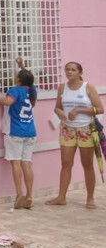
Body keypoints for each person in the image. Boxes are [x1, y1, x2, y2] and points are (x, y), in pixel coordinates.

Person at [45, 61, 103, 209]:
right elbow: (57, 107)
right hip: (67, 129)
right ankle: (61, 196)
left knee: (87, 164)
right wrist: (60, 114)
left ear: (80, 72)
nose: (69, 72)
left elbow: (100, 109)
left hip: (86, 128)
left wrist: (78, 110)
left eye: (73, 70)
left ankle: (90, 198)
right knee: (65, 163)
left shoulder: (87, 87)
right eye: (67, 69)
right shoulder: (62, 88)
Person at [0, 57, 37, 210]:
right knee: (26, 164)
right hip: (30, 132)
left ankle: (19, 195)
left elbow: (7, 102)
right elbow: (28, 77)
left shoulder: (15, 90)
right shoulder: (32, 90)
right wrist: (22, 65)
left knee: (15, 163)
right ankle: (29, 195)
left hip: (15, 131)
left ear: (19, 80)